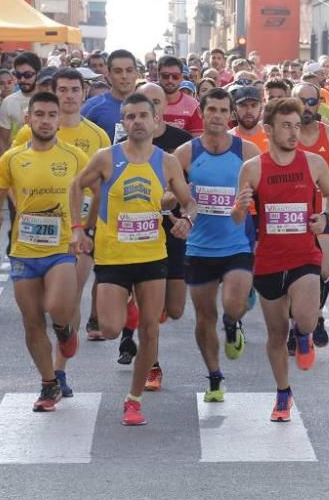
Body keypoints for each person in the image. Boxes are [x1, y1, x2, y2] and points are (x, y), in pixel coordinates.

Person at [70, 93, 195, 426]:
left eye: (143, 115)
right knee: (110, 329)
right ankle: (131, 310)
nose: (137, 121)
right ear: (122, 123)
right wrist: (77, 229)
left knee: (151, 331)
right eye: (130, 116)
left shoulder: (167, 162)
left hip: (152, 255)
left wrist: (187, 220)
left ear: (155, 120)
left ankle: (134, 399)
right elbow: (75, 186)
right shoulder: (105, 157)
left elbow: (188, 200)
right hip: (113, 257)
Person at [231, 97, 329, 422]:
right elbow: (237, 218)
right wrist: (239, 206)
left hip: (305, 254)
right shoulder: (253, 168)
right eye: (286, 126)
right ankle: (282, 393)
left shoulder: (313, 164)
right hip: (269, 259)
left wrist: (325, 217)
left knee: (305, 319)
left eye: (297, 125)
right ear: (268, 130)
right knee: (276, 334)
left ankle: (304, 334)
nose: (294, 133)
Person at [10, 68, 111, 395]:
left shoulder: (96, 137)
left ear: (84, 94)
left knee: (68, 299)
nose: (68, 96)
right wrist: (21, 207)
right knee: (36, 312)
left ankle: (59, 370)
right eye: (62, 90)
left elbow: (101, 188)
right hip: (32, 236)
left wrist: (88, 228)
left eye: (74, 90)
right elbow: (10, 174)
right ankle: (52, 366)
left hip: (75, 234)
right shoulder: (30, 132)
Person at [0, 92, 85, 411]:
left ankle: (65, 329)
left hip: (61, 248)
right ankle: (48, 384)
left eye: (51, 114)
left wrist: (82, 227)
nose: (45, 120)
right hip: (24, 249)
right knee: (31, 321)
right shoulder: (11, 158)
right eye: (38, 114)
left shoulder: (74, 157)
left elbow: (96, 193)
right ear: (28, 119)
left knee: (56, 307)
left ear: (59, 120)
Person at [173, 87, 259, 403]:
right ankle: (214, 376)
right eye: (212, 110)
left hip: (237, 242)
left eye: (224, 111)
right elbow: (165, 193)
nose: (218, 116)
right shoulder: (186, 153)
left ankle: (233, 322)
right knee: (204, 316)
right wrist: (176, 205)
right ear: (203, 113)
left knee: (234, 305)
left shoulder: (247, 151)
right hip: (198, 248)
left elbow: (269, 190)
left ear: (231, 115)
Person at [121, 82, 193, 389]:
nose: (143, 114)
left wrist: (185, 216)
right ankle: (152, 364)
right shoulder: (122, 146)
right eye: (137, 107)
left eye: (153, 102)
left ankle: (144, 314)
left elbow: (187, 194)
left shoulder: (181, 143)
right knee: (151, 312)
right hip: (140, 233)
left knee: (174, 309)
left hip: (172, 228)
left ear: (162, 109)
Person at [293, 82, 329, 347]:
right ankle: (297, 325)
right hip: (291, 210)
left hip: (324, 205)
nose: (306, 106)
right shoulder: (283, 136)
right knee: (294, 270)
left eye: (312, 101)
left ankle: (316, 313)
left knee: (322, 270)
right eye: (301, 101)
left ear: (320, 104)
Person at [82, 49, 139, 142]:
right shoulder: (92, 107)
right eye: (118, 71)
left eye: (129, 70)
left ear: (136, 74)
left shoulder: (149, 105)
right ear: (108, 74)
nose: (124, 76)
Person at [0, 53, 40, 149]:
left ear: (38, 73)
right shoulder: (8, 102)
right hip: (17, 160)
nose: (23, 79)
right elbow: (2, 142)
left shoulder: (50, 101)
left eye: (27, 75)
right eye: (18, 75)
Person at [157, 55, 203, 136]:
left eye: (175, 76)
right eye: (165, 76)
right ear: (158, 76)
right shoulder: (147, 101)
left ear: (181, 77)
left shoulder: (193, 105)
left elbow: (196, 141)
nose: (170, 80)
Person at [229, 85, 270, 152]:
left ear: (261, 107)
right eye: (243, 105)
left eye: (254, 105)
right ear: (234, 108)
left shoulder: (272, 139)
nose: (249, 110)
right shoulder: (226, 140)